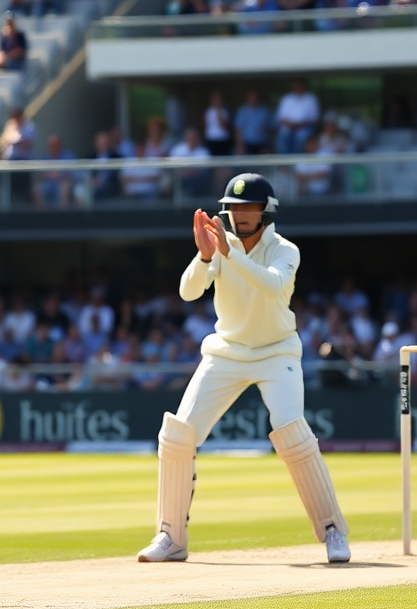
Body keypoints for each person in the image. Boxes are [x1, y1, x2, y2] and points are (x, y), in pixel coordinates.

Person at [136, 173, 350, 565]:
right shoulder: (220, 245)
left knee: (292, 434)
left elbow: (271, 285)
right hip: (227, 352)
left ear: (265, 211)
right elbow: (188, 291)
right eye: (234, 208)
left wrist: (228, 254)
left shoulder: (286, 250)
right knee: (178, 436)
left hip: (277, 352)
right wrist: (205, 256)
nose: (241, 215)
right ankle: (171, 536)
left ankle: (333, 530)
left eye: (248, 208)